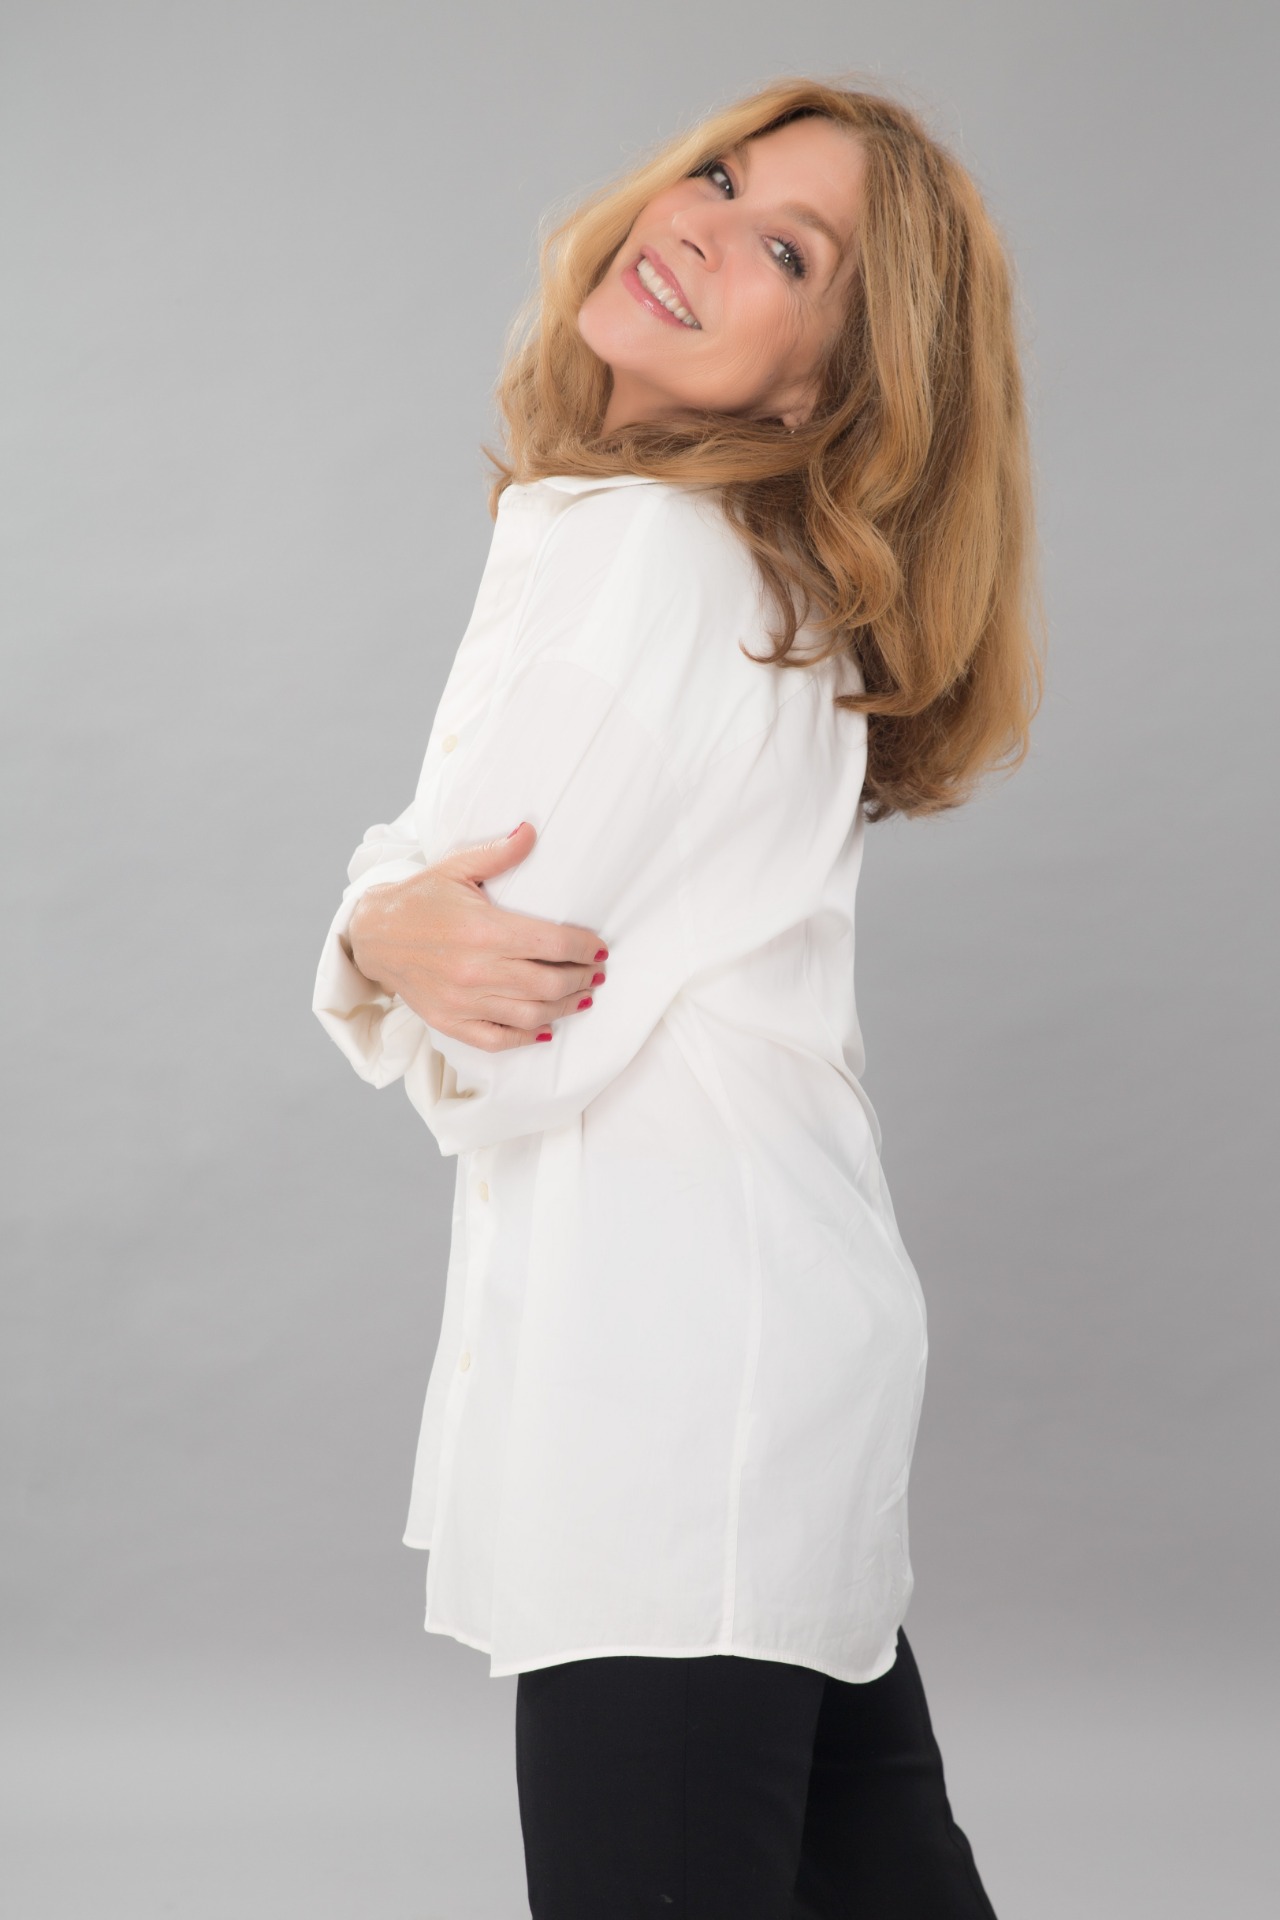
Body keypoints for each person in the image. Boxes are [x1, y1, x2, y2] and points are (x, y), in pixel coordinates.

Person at [313, 75, 1042, 1920]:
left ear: (824, 392)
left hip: (671, 1397)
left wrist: (382, 938)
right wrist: (386, 926)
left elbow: (502, 1025)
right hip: (754, 1360)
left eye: (788, 251)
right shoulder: (729, 567)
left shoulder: (645, 556)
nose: (702, 226)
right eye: (717, 176)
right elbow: (448, 909)